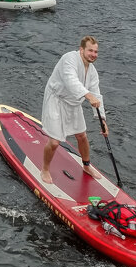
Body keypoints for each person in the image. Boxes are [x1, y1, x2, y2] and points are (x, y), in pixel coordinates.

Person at [39, 36, 107, 184]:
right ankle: (44, 169)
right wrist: (88, 96)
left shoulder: (92, 71)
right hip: (56, 100)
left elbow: (96, 94)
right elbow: (71, 81)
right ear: (81, 49)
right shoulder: (68, 59)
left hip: (73, 102)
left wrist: (102, 120)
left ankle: (87, 166)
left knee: (82, 136)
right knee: (55, 142)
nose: (93, 54)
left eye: (96, 52)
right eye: (90, 50)